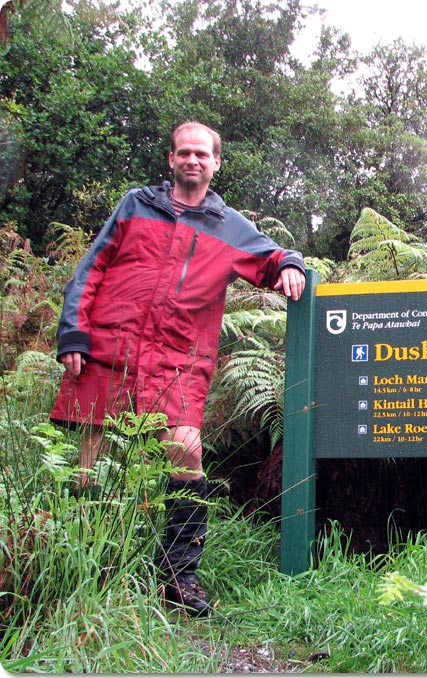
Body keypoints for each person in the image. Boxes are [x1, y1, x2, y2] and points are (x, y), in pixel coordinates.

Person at [51, 121, 306, 616]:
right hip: (109, 344)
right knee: (87, 461)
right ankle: (81, 565)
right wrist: (73, 332)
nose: (192, 160)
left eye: (201, 154)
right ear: (171, 159)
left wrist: (291, 264)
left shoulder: (229, 225)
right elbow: (92, 267)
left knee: (185, 453)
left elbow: (271, 257)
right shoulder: (135, 205)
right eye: (184, 152)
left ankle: (178, 577)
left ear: (215, 163)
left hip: (178, 357)